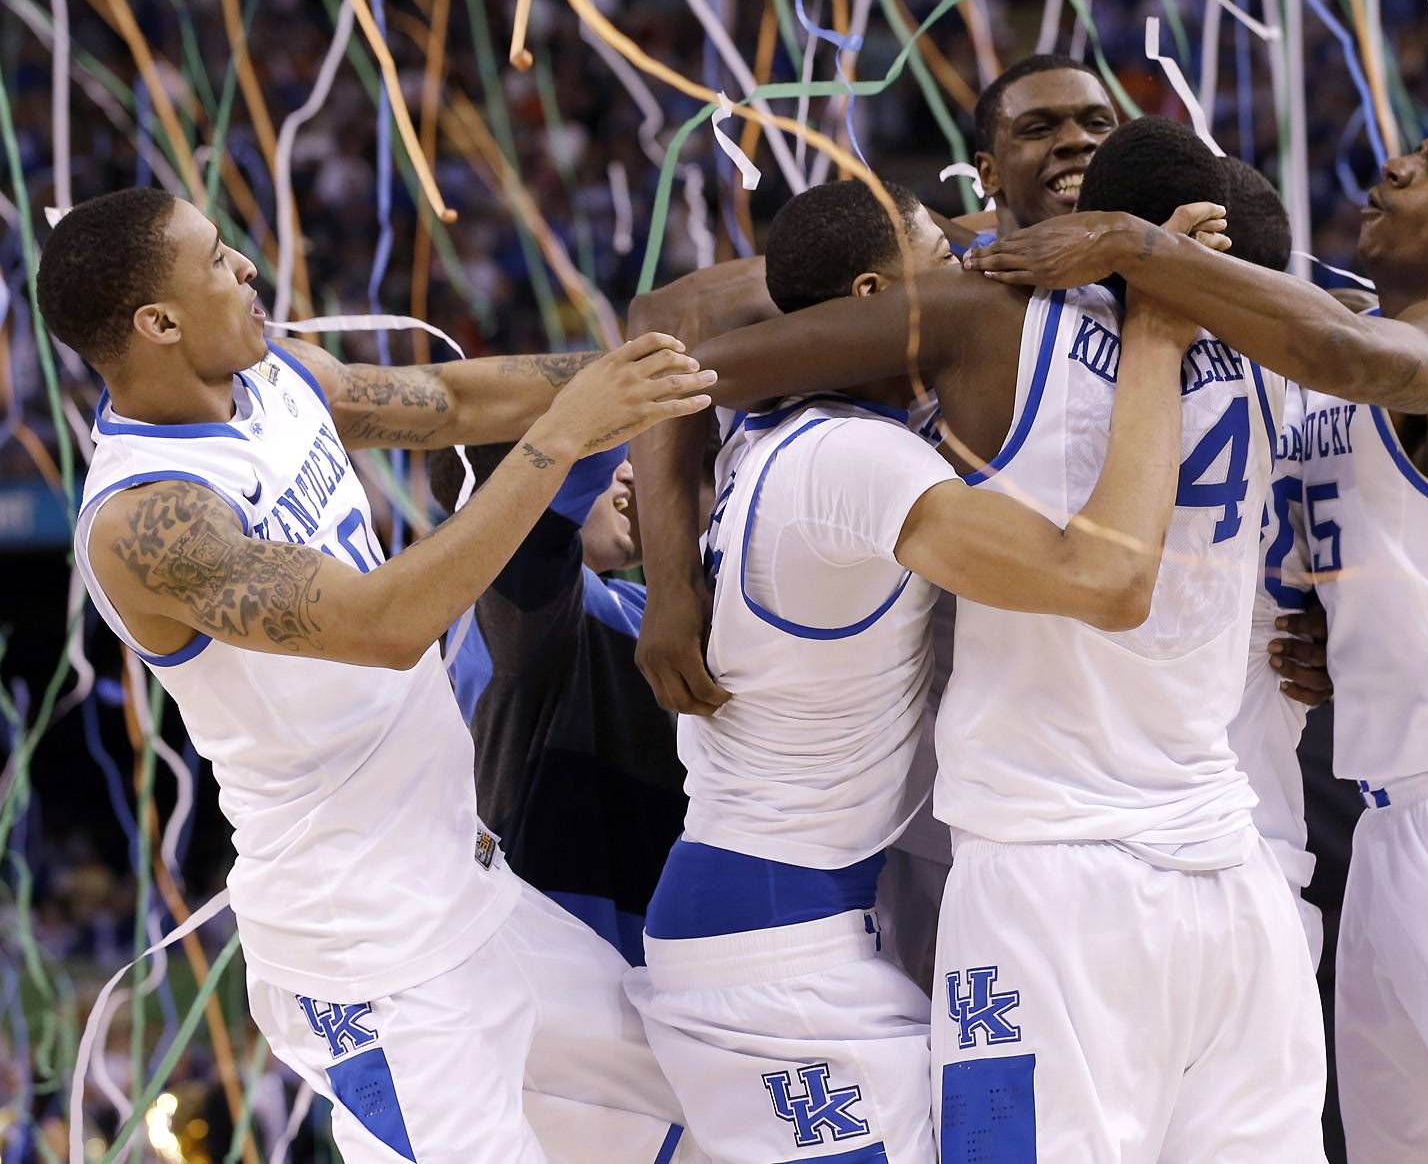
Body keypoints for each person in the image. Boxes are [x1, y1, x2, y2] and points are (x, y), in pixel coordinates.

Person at [966, 119, 1428, 1163]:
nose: (1398, 165)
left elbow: (1338, 348)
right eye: (1412, 152)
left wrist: (1137, 242)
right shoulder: (1338, 335)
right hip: (1391, 823)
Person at [633, 140, 1328, 1161]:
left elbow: (664, 349)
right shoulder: (1276, 355)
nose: (965, 258)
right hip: (1218, 857)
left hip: (1043, 867)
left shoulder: (961, 350)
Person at [40, 188, 714, 1163]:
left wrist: (652, 375)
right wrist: (565, 433)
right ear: (159, 322)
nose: (249, 270)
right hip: (364, 950)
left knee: (692, 1110)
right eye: (220, 258)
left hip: (468, 883)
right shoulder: (148, 520)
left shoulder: (277, 376)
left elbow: (450, 401)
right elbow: (389, 623)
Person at [425, 446, 685, 965]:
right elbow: (546, 473)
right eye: (610, 457)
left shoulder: (634, 606)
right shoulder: (507, 603)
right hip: (568, 971)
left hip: (653, 967)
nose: (631, 472)